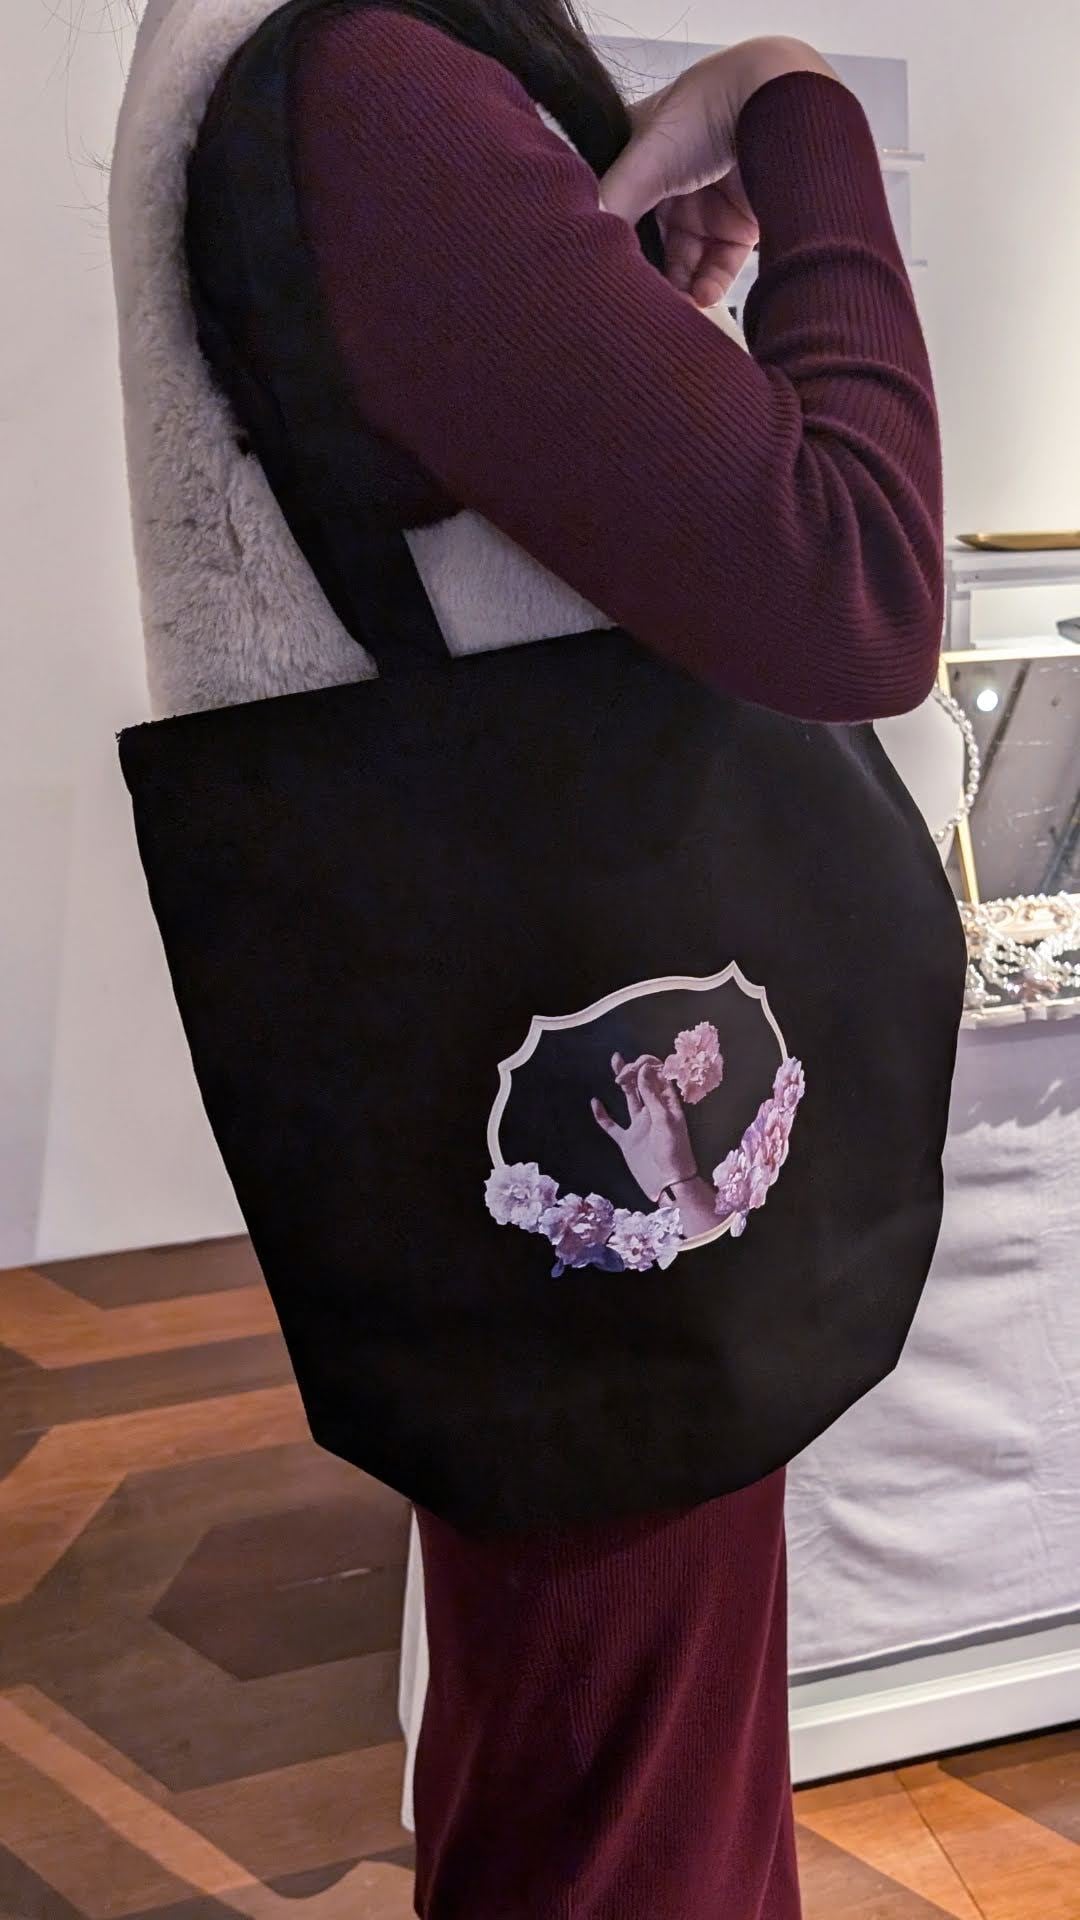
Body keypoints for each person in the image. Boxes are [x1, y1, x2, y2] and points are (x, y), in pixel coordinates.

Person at [127, 4, 946, 1914]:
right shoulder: (373, 86)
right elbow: (861, 585)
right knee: (626, 1795)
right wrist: (797, 108)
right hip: (596, 1013)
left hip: (545, 1010)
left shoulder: (297, 65)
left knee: (589, 1759)